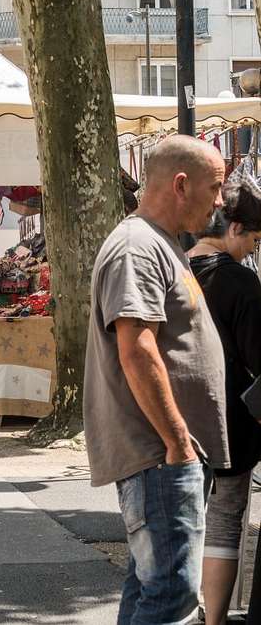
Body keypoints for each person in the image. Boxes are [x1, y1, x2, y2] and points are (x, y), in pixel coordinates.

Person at [83, 135, 228, 625]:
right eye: (216, 187)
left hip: (164, 456)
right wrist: (178, 442)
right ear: (181, 185)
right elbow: (137, 350)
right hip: (159, 455)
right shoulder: (138, 247)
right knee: (171, 597)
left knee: (153, 587)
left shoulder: (157, 244)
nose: (221, 200)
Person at [186, 177, 261, 625]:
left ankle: (184, 607)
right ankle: (214, 618)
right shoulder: (241, 283)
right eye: (253, 238)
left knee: (182, 520)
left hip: (173, 417)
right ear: (234, 228)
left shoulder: (174, 268)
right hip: (232, 421)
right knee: (225, 518)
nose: (253, 247)